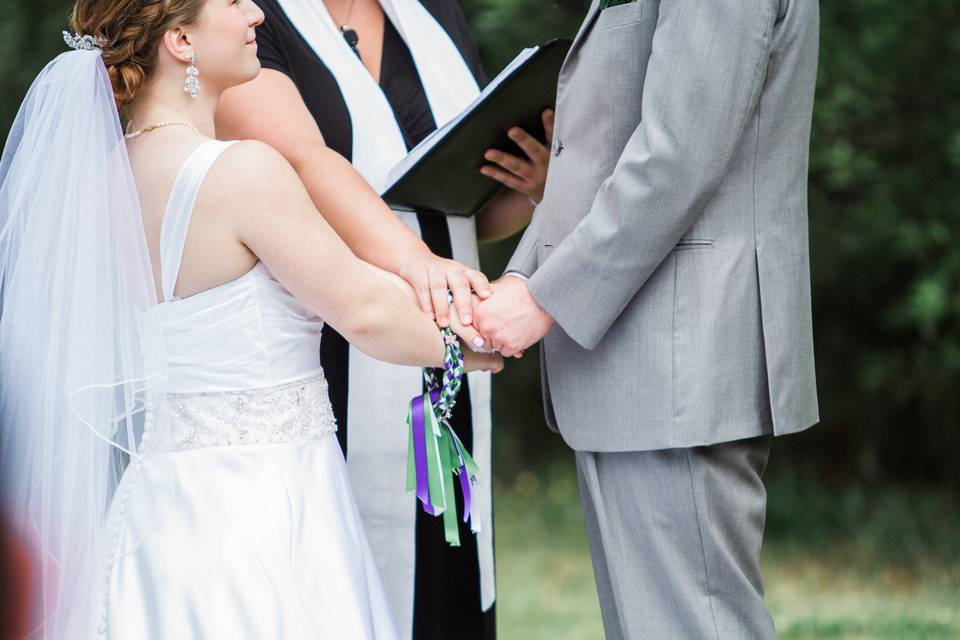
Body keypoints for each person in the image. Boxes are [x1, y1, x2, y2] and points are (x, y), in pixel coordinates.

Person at [0, 0, 502, 637]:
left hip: (157, 507)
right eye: (234, 3)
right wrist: (487, 340)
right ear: (181, 40)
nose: (257, 15)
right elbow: (366, 310)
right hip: (265, 508)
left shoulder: (106, 176)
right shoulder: (243, 169)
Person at [474, 0, 821, 638]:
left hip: (681, 350)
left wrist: (546, 298)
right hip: (641, 357)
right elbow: (598, 159)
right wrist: (523, 278)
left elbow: (676, 156)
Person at [214, 1, 551, 636]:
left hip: (446, 328)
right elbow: (303, 161)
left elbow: (463, 208)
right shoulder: (253, 21)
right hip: (332, 337)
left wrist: (532, 187)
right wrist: (419, 265)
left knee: (447, 555)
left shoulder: (432, 12)